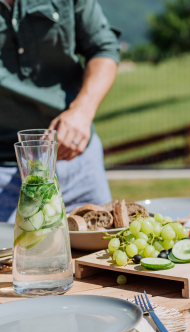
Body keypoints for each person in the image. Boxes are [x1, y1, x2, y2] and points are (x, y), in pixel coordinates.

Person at [0, 0, 119, 222]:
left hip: (78, 164)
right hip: (5, 174)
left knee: (100, 253)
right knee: (16, 256)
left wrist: (82, 111)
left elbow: (104, 47)